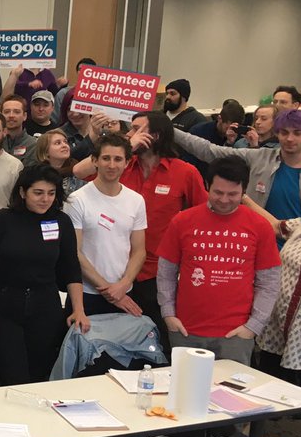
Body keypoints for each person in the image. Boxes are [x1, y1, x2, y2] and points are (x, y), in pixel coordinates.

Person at [74, 110, 206, 351]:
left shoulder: (185, 172)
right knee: (112, 343)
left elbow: (203, 217)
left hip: (156, 271)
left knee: (154, 340)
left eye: (137, 129)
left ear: (156, 135)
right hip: (114, 269)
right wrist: (128, 146)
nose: (130, 133)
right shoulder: (121, 165)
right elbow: (79, 172)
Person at [157, 157, 280, 364]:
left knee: (232, 386)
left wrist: (253, 326)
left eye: (232, 194)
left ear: (244, 191)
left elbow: (269, 282)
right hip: (186, 331)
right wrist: (168, 314)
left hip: (236, 335)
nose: (224, 200)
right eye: (218, 192)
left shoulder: (260, 226)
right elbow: (165, 272)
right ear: (207, 185)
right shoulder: (182, 221)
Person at [0, 165, 88, 385]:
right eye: (38, 193)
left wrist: (79, 310)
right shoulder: (3, 219)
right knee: (12, 376)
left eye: (51, 193)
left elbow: (72, 268)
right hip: (5, 305)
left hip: (45, 306)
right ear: (23, 192)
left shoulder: (61, 222)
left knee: (39, 374)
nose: (45, 199)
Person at [172, 108, 301, 225]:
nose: (290, 139)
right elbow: (210, 150)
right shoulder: (260, 157)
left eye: (297, 133)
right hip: (257, 236)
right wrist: (170, 130)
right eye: (284, 132)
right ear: (277, 133)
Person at [65, 133, 147, 316]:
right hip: (86, 294)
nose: (111, 165)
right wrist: (108, 290)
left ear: (127, 163)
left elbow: (139, 251)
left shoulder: (136, 200)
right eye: (106, 158)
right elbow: (74, 252)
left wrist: (124, 284)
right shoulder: (76, 200)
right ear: (95, 161)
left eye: (118, 159)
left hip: (124, 292)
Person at [256, 214, 301, 384]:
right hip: (277, 327)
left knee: (293, 389)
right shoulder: (299, 224)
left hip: (298, 337)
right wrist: (242, 200)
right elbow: (275, 226)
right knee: (266, 384)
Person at [33, 129, 84, 195]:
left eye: (65, 142)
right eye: (58, 143)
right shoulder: (37, 176)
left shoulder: (80, 171)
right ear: (46, 152)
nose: (64, 145)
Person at [0, 95, 37, 160]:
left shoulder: (33, 145)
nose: (11, 115)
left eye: (16, 112)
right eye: (7, 112)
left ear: (24, 116)